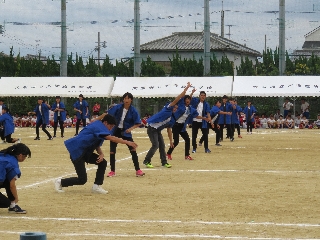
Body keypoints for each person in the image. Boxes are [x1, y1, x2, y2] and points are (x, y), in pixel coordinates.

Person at [54, 114, 138, 194]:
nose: (110, 129)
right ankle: (60, 182)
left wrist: (101, 154)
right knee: (82, 179)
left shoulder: (100, 126)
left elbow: (97, 144)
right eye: (110, 126)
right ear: (105, 122)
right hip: (77, 151)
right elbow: (111, 138)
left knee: (103, 162)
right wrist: (128, 142)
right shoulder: (99, 126)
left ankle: (96, 186)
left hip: (86, 152)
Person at [143, 82, 192, 168]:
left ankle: (164, 162)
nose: (175, 109)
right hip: (151, 128)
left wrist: (171, 141)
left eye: (176, 108)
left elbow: (169, 129)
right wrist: (186, 89)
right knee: (155, 145)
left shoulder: (172, 118)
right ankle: (147, 161)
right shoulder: (168, 108)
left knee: (162, 146)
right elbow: (178, 98)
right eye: (175, 107)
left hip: (157, 130)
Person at [106, 92, 145, 177]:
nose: (126, 100)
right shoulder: (117, 107)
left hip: (125, 132)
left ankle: (138, 170)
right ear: (123, 99)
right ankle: (112, 171)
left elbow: (138, 123)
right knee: (112, 151)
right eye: (125, 98)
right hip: (115, 131)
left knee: (133, 149)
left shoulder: (133, 110)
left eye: (128, 98)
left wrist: (130, 129)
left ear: (131, 100)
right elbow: (108, 114)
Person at [166, 88, 203, 160]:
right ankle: (168, 153)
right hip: (175, 125)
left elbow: (196, 115)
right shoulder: (181, 105)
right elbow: (184, 97)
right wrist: (188, 89)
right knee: (176, 141)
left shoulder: (190, 108)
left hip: (182, 126)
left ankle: (187, 155)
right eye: (186, 99)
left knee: (187, 139)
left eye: (189, 99)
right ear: (184, 100)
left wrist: (204, 118)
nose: (188, 100)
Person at [0, 143, 31, 214]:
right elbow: (12, 185)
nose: (25, 158)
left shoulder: (4, 155)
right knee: (5, 203)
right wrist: (16, 198)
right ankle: (12, 205)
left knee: (7, 180)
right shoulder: (12, 163)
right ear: (20, 155)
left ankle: (13, 206)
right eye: (25, 156)